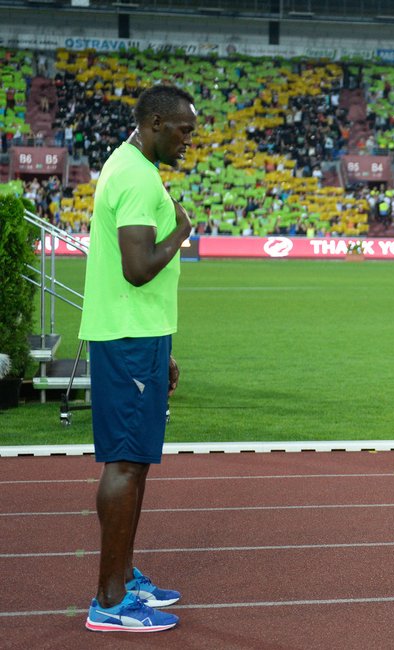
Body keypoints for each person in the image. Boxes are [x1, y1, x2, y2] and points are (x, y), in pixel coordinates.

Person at [79, 85, 197, 632]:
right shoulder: (133, 176)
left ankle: (124, 579)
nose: (189, 141)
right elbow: (138, 267)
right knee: (125, 464)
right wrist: (182, 232)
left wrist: (164, 347)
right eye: (184, 131)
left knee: (136, 461)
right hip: (127, 338)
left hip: (140, 336)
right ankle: (108, 601)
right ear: (155, 123)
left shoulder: (134, 167)